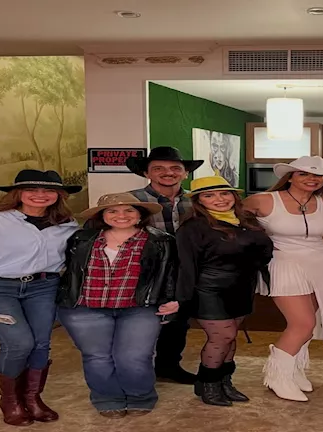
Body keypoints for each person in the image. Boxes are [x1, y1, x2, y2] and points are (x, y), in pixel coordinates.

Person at [0, 169, 80, 426]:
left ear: (59, 195)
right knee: (20, 343)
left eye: (49, 190)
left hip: (44, 287)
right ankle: (10, 401)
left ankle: (32, 398)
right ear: (17, 193)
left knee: (41, 343)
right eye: (32, 189)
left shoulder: (67, 225)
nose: (40, 195)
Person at [57, 193, 179, 418]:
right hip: (86, 306)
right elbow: (69, 270)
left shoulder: (160, 240)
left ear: (140, 214)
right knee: (97, 356)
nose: (121, 215)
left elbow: (169, 272)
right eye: (112, 211)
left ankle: (140, 396)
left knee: (134, 356)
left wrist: (171, 299)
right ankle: (107, 397)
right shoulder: (81, 238)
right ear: (102, 216)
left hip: (138, 307)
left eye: (129, 210)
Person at [244, 155, 323, 402]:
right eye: (303, 173)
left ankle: (295, 370)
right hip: (284, 263)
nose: (312, 179)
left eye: (318, 175)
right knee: (302, 324)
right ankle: (277, 376)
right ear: (290, 176)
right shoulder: (264, 200)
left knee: (310, 324)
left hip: (321, 264)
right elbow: (231, 220)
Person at [176, 176, 273, 406]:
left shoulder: (246, 220)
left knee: (231, 337)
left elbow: (263, 250)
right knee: (222, 336)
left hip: (241, 287)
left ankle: (224, 382)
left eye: (224, 193)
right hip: (209, 289)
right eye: (209, 195)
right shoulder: (194, 227)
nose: (219, 199)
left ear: (234, 196)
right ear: (199, 201)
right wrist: (181, 299)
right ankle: (208, 383)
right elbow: (185, 265)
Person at [126, 146, 204, 384]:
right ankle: (135, 371)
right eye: (158, 168)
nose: (168, 173)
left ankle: (168, 366)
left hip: (185, 270)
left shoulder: (197, 201)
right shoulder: (131, 200)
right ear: (146, 173)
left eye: (175, 168)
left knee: (178, 321)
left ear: (185, 173)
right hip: (144, 270)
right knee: (140, 320)